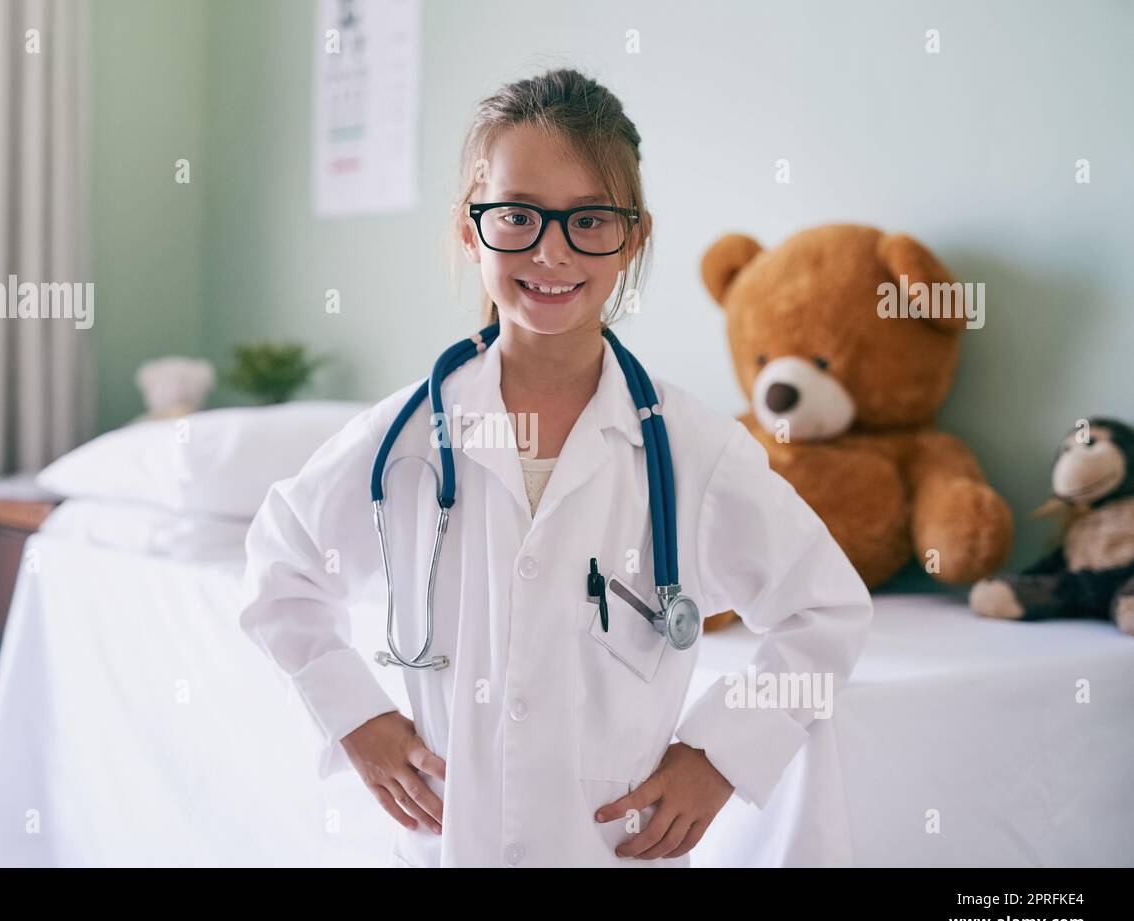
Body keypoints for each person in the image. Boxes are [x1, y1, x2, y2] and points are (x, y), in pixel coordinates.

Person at [239, 68, 871, 867]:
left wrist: (719, 754)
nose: (551, 250)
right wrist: (352, 716)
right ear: (471, 231)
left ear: (633, 236)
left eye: (589, 221)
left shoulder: (691, 449)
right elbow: (279, 566)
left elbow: (827, 612)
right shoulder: (402, 439)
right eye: (517, 216)